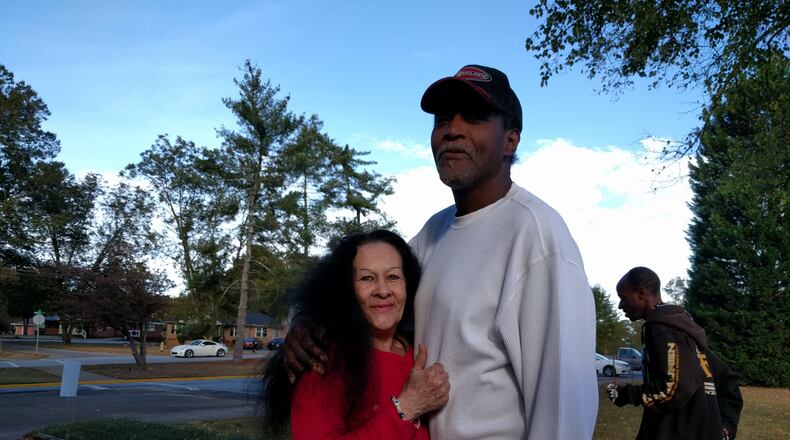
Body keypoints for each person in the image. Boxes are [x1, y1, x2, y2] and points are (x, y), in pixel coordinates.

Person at [284, 64, 598, 439]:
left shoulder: (537, 235)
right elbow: (364, 291)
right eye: (443, 119)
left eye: (474, 117)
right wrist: (306, 321)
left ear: (510, 141)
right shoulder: (434, 231)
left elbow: (563, 409)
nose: (452, 130)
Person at [260, 230, 450, 439]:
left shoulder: (417, 352)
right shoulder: (322, 360)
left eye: (393, 277)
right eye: (367, 278)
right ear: (347, 290)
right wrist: (407, 407)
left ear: (408, 286)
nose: (383, 290)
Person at [607, 266, 743, 440]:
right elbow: (727, 379)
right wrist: (725, 427)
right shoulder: (686, 332)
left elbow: (673, 389)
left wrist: (626, 394)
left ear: (641, 293)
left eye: (623, 297)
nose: (620, 305)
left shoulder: (663, 329)